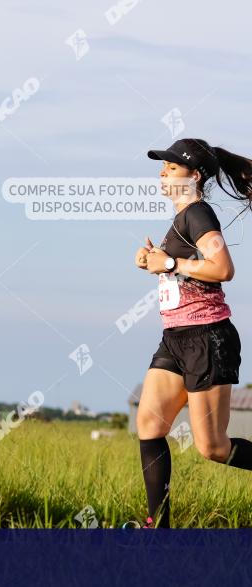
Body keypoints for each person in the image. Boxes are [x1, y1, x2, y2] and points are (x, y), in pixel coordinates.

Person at [134, 138, 252, 528]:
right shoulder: (182, 218)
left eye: (171, 166)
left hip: (207, 336)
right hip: (176, 337)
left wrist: (167, 260)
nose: (163, 172)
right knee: (150, 426)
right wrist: (155, 262)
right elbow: (183, 267)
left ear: (195, 175)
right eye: (162, 166)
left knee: (213, 447)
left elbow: (222, 269)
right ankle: (159, 529)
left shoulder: (198, 214)